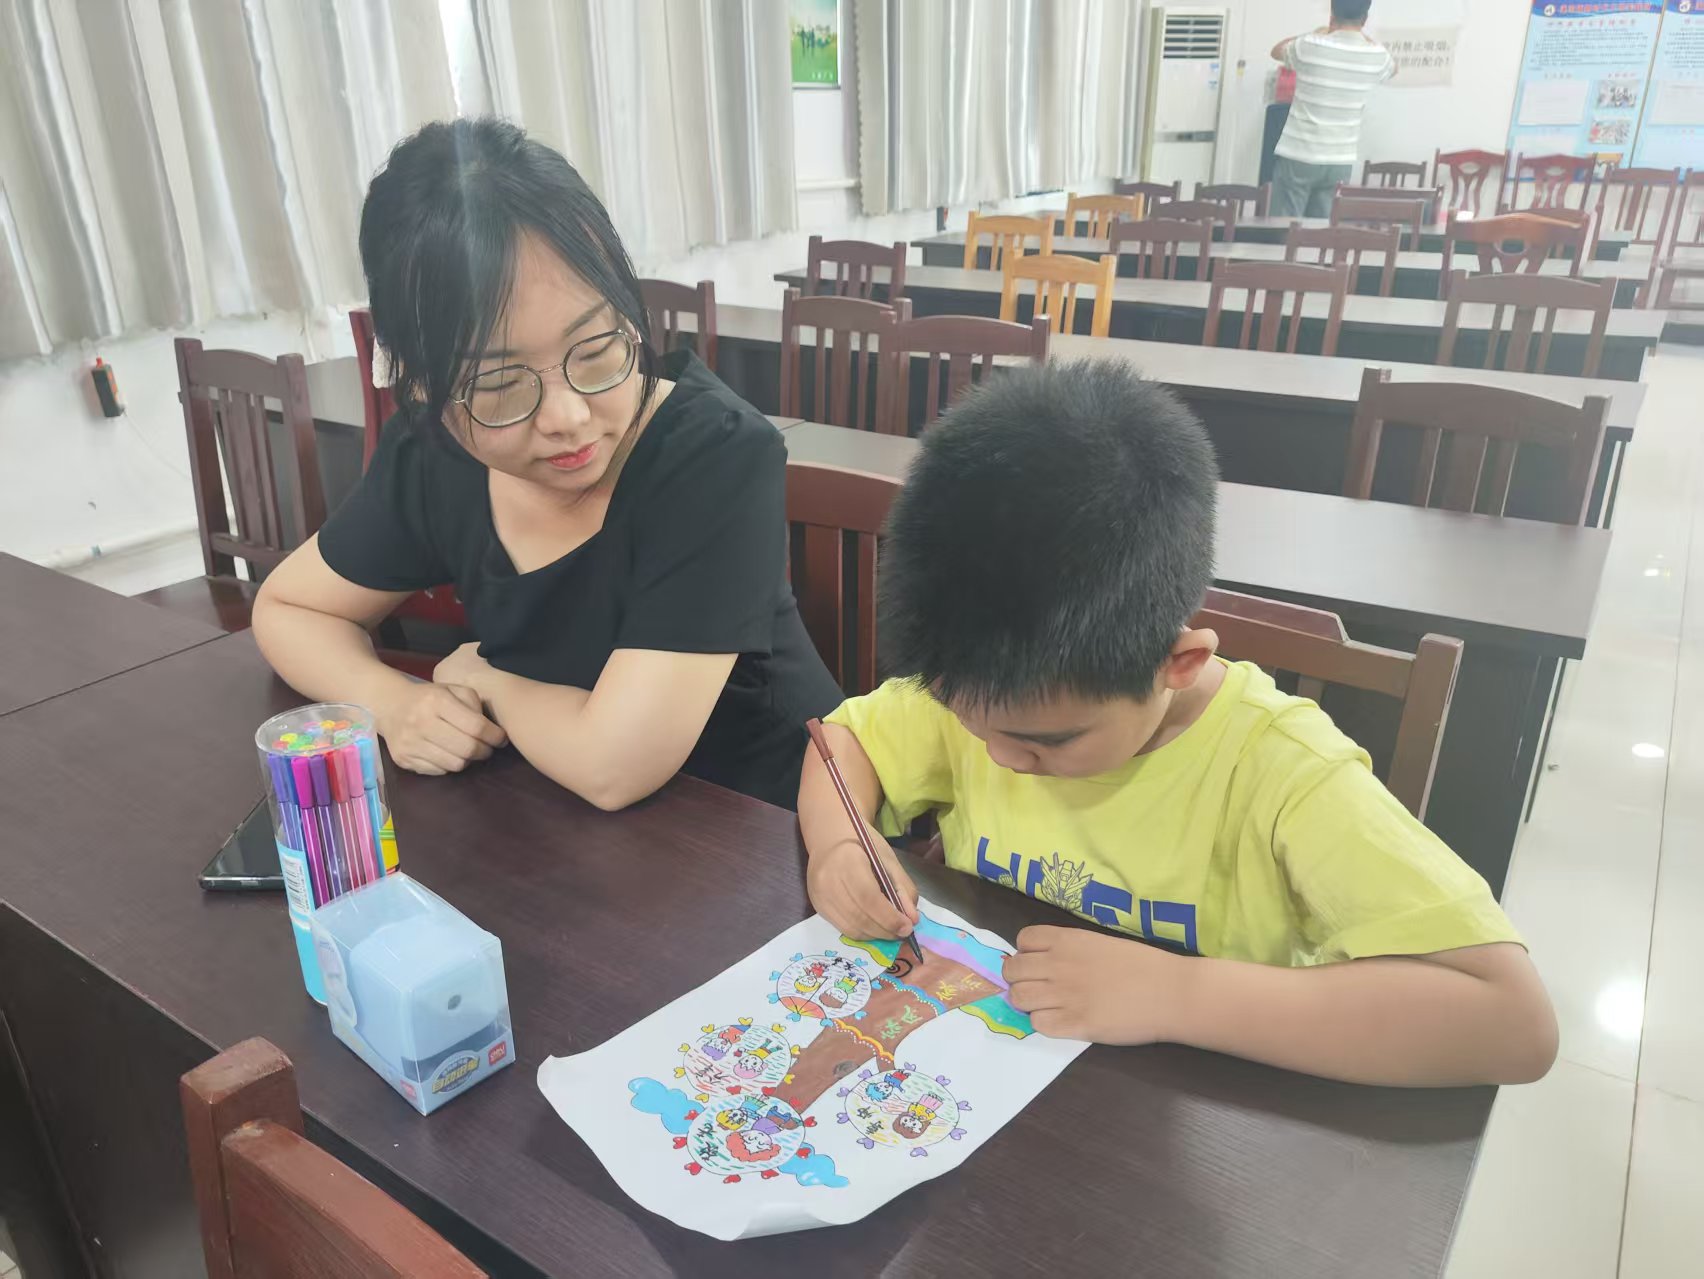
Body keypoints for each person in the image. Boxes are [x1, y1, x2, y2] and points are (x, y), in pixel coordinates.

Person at [796, 361, 1558, 1088]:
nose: (1002, 758)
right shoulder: (990, 691)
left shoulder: (1281, 767)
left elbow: (1512, 1020)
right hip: (1004, 1076)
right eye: (965, 722)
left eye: (1047, 742)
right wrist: (838, 846)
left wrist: (1178, 993)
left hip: (1198, 1105)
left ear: (1180, 663)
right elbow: (840, 743)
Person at [253, 118, 842, 811]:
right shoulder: (437, 454)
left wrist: (489, 680)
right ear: (419, 387)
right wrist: (392, 702)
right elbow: (288, 608)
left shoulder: (715, 456)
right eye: (500, 384)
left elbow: (615, 766)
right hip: (564, 825)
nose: (567, 416)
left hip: (779, 828)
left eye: (594, 350)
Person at [1269, 0, 1396, 219]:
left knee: (1284, 229)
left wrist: (1318, 32)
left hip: (1299, 154)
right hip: (1340, 159)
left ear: (1331, 15)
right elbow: (1394, 68)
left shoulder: (1309, 44)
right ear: (1365, 19)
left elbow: (1276, 51)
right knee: (1321, 232)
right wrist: (1362, 35)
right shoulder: (1377, 56)